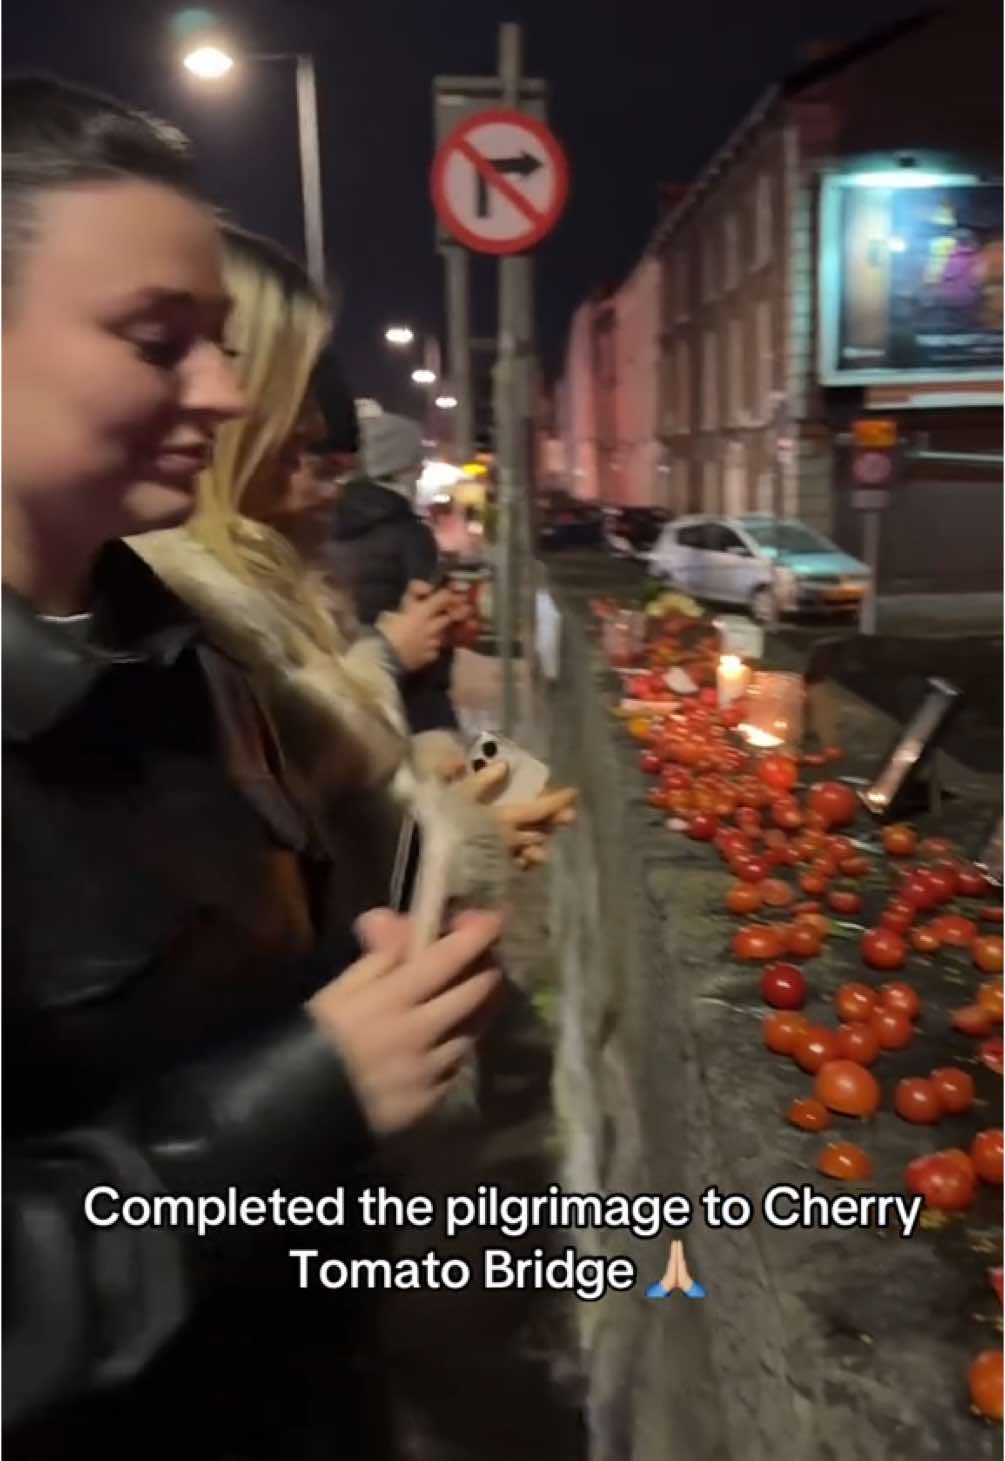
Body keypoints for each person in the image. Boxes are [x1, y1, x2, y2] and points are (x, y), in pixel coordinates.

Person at [2, 74, 502, 1458]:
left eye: (222, 341)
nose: (226, 396)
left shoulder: (189, 649)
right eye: (159, 340)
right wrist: (300, 1097)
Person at [330, 410, 463, 743]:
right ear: (400, 469)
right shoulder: (411, 535)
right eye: (416, 468)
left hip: (343, 702)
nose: (419, 476)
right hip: (406, 705)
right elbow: (432, 627)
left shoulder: (319, 525)